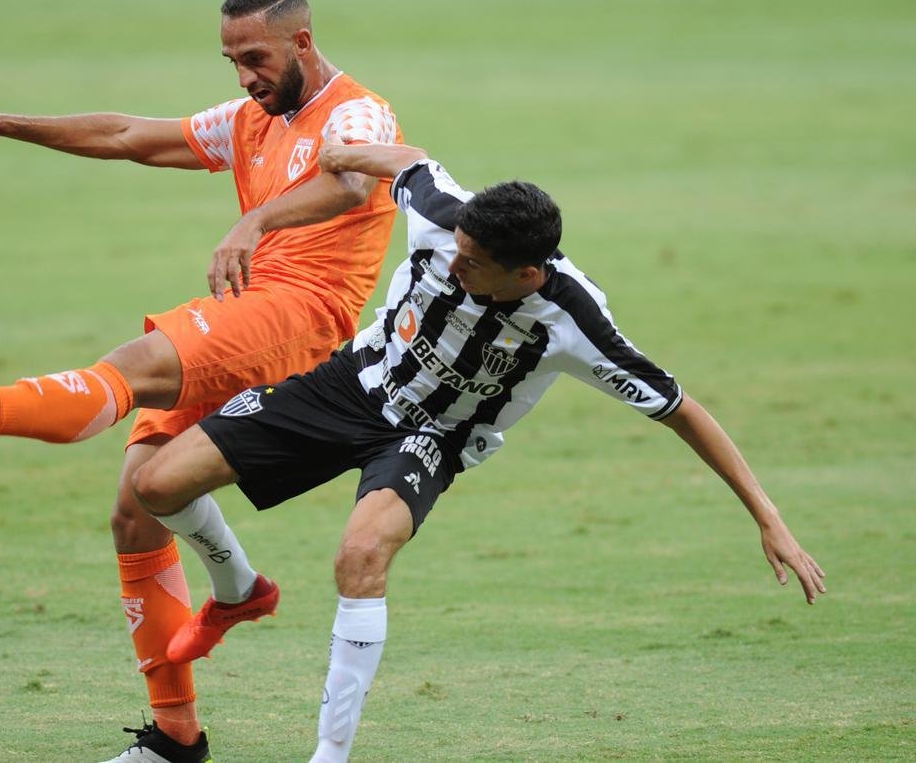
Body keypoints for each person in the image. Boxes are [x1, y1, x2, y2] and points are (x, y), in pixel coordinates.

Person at [126, 141, 828, 762]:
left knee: (361, 557)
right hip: (354, 383)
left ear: (527, 274)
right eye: (456, 249)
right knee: (157, 485)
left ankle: (329, 754)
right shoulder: (444, 212)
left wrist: (770, 519)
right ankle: (240, 590)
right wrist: (344, 154)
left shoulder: (575, 322)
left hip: (434, 436)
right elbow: (407, 161)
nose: (453, 263)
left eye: (474, 264)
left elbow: (682, 411)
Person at [0, 0, 401, 761]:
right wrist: (3, 123)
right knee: (135, 509)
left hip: (302, 318)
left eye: (256, 58)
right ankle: (177, 733)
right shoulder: (249, 119)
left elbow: (353, 180)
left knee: (131, 365)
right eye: (231, 60)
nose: (243, 77)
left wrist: (256, 218)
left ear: (302, 41)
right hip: (252, 307)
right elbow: (130, 135)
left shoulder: (358, 113)